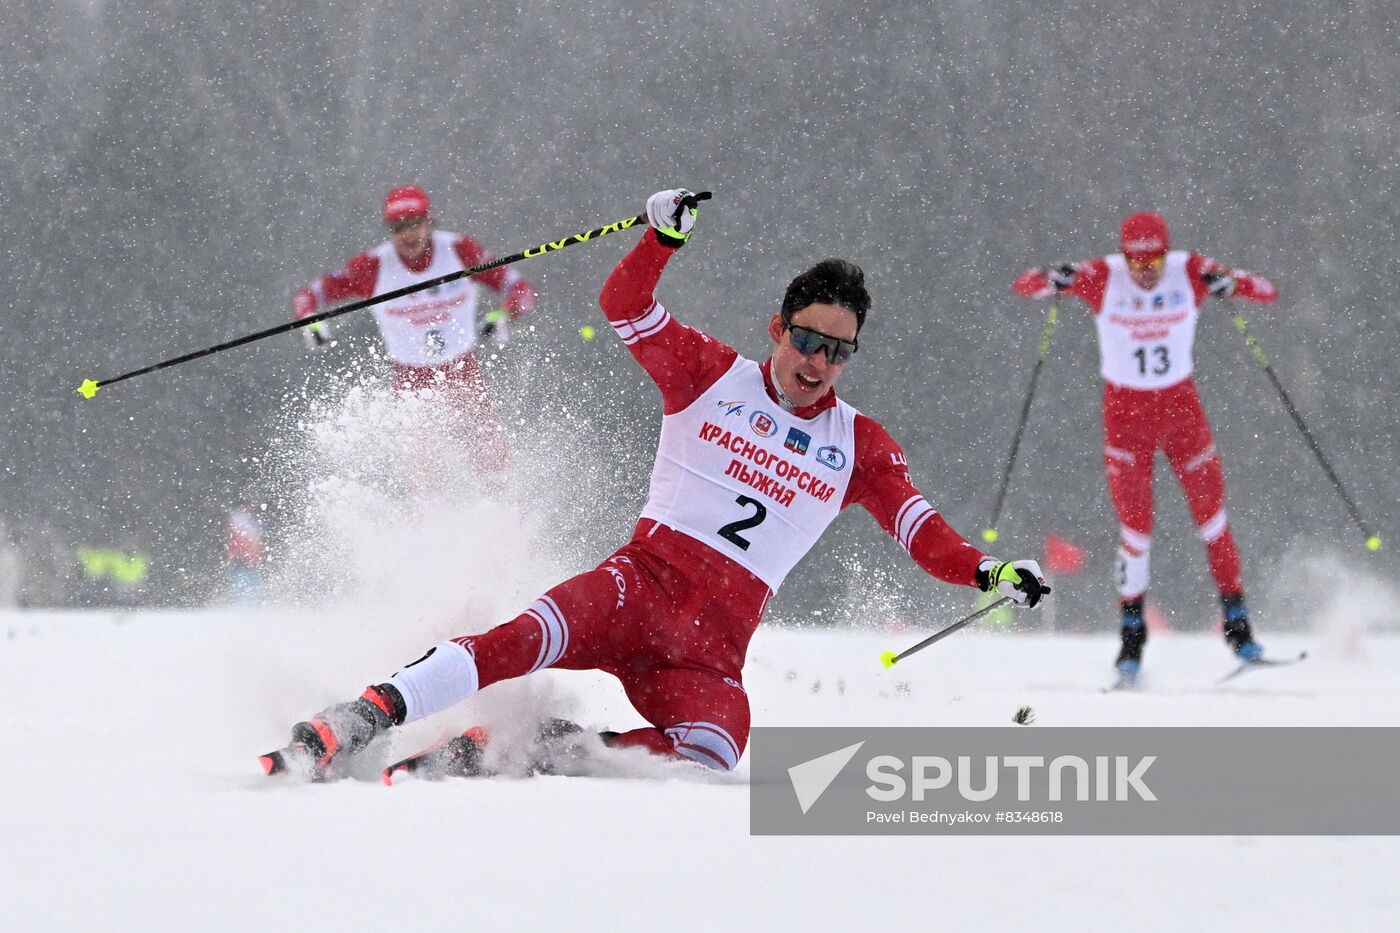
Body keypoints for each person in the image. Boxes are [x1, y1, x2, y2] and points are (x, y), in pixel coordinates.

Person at [266, 188, 1049, 779]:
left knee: (715, 748)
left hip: (708, 653)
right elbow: (624, 304)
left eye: (839, 352)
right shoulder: (710, 372)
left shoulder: (860, 446)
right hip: (634, 589)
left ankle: (556, 749)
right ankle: (364, 714)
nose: (817, 363)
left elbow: (925, 533)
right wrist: (661, 239)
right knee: (520, 640)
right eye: (807, 338)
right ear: (779, 328)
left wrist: (990, 569)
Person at [1012, 212, 1278, 683]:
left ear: (1166, 251)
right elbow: (1025, 286)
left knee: (1212, 516)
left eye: (1154, 258)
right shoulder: (1104, 276)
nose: (1146, 270)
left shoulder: (1189, 269)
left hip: (1181, 411)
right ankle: (1131, 642)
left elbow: (1266, 289)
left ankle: (1239, 628)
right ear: (1125, 255)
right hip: (1126, 417)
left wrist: (1231, 283)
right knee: (1136, 531)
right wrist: (1053, 278)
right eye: (1137, 260)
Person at [292, 186, 537, 474]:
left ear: (428, 221)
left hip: (462, 371)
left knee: (492, 458)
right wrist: (310, 320)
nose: (408, 235)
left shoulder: (460, 250)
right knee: (423, 469)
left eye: (415, 224)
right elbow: (309, 296)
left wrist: (505, 313)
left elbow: (520, 289)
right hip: (411, 380)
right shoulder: (373, 265)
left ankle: (504, 512)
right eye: (398, 228)